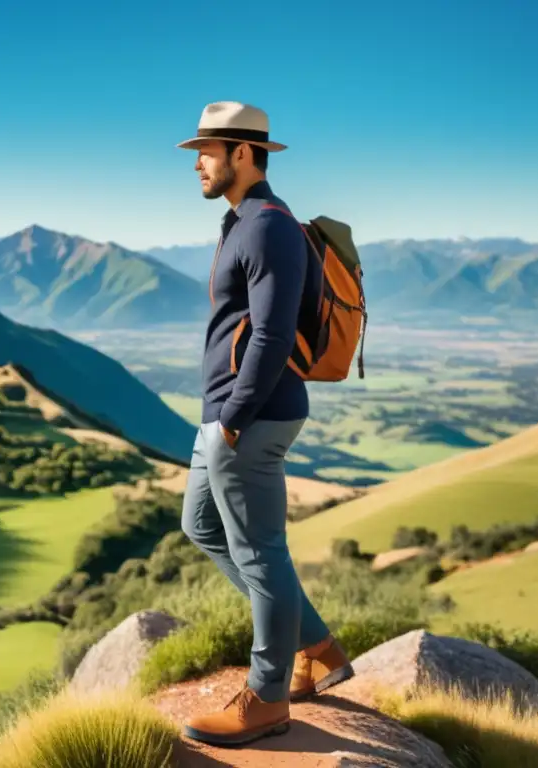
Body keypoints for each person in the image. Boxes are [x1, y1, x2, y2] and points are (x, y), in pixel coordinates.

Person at [174, 101, 355, 747]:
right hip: (226, 415)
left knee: (259, 552)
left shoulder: (269, 227)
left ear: (242, 154)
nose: (196, 161)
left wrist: (231, 419)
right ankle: (319, 647)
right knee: (201, 527)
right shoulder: (240, 221)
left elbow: (274, 334)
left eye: (207, 150)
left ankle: (268, 697)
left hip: (249, 418)